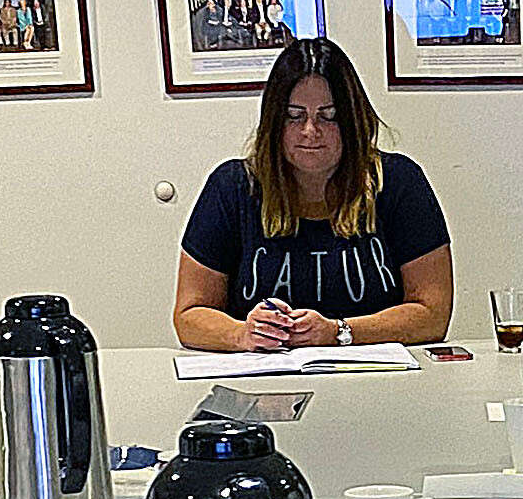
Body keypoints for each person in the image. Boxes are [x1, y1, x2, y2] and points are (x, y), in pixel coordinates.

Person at [175, 37, 452, 352]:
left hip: (375, 375)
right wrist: (242, 334)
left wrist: (338, 331)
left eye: (328, 116)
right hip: (264, 374)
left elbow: (432, 315)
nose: (310, 130)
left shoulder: (398, 182)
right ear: (274, 121)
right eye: (294, 115)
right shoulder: (232, 187)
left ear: (352, 120)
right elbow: (189, 316)